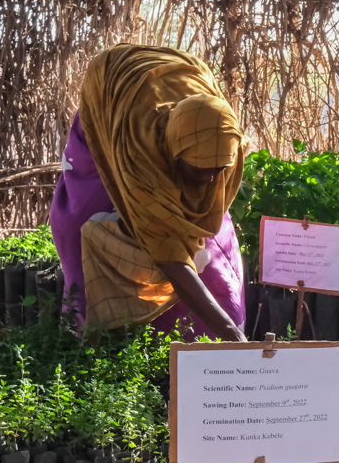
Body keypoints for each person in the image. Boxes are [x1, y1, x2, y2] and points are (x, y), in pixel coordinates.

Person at [50, 44, 248, 341]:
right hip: (113, 91)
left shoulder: (221, 141)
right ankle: (100, 348)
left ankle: (195, 340)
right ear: (172, 155)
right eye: (198, 171)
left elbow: (210, 169)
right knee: (85, 226)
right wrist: (234, 337)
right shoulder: (139, 152)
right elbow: (170, 256)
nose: (210, 181)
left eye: (218, 171)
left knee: (211, 255)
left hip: (180, 76)